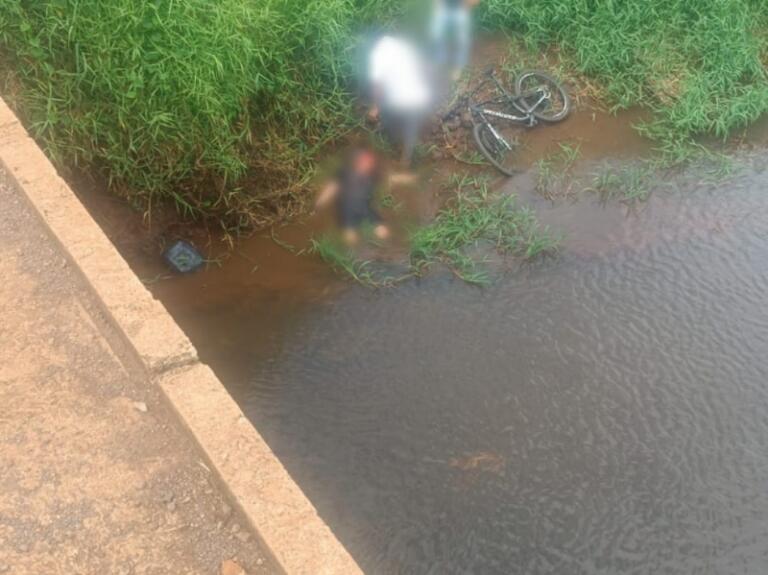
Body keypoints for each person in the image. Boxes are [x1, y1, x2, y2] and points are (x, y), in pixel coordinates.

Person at [368, 35, 432, 166]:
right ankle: (406, 159)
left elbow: (378, 84)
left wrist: (375, 108)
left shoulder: (378, 54)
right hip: (419, 97)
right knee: (411, 125)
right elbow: (423, 68)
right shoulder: (404, 47)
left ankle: (390, 133)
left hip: (400, 99)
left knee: (386, 107)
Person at [316, 147, 390, 245]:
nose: (367, 165)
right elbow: (332, 187)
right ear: (357, 161)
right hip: (347, 208)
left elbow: (390, 178)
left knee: (383, 233)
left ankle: (384, 253)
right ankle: (350, 255)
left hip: (365, 207)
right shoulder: (344, 173)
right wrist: (319, 203)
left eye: (369, 162)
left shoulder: (374, 175)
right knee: (350, 238)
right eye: (364, 161)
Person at [430, 0, 480, 81]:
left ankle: (458, 66)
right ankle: (440, 62)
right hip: (443, 9)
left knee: (461, 40)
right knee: (437, 36)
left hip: (460, 10)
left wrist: (467, 7)